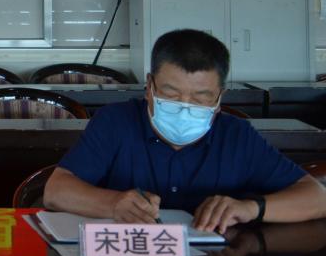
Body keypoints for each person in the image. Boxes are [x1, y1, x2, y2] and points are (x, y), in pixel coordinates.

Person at [44, 28, 326, 233]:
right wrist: (113, 203)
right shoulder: (115, 122)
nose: (185, 107)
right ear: (149, 87)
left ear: (219, 98)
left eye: (201, 98)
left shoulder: (236, 136)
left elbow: (317, 198)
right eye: (171, 94)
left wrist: (250, 208)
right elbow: (56, 191)